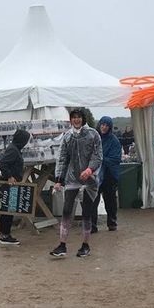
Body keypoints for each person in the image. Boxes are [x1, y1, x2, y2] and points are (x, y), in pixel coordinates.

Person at [51, 108, 102, 258]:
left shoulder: (93, 134)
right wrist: (59, 179)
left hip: (89, 181)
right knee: (66, 210)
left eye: (79, 117)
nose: (76, 120)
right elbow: (62, 159)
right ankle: (62, 245)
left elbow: (98, 156)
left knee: (87, 212)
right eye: (74, 117)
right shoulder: (67, 137)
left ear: (83, 119)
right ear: (71, 119)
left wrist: (90, 170)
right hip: (72, 179)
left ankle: (85, 245)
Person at [0, 128, 31, 245]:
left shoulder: (14, 148)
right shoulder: (13, 150)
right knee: (8, 210)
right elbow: (2, 163)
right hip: (10, 183)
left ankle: (4, 234)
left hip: (12, 183)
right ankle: (5, 235)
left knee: (7, 210)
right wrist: (10, 176)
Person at [92, 116, 121, 233]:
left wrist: (101, 159)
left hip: (109, 174)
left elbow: (115, 159)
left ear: (110, 127)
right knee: (93, 200)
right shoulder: (94, 138)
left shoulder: (114, 141)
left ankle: (112, 222)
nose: (104, 127)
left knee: (110, 200)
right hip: (95, 174)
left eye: (106, 125)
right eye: (102, 124)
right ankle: (92, 225)